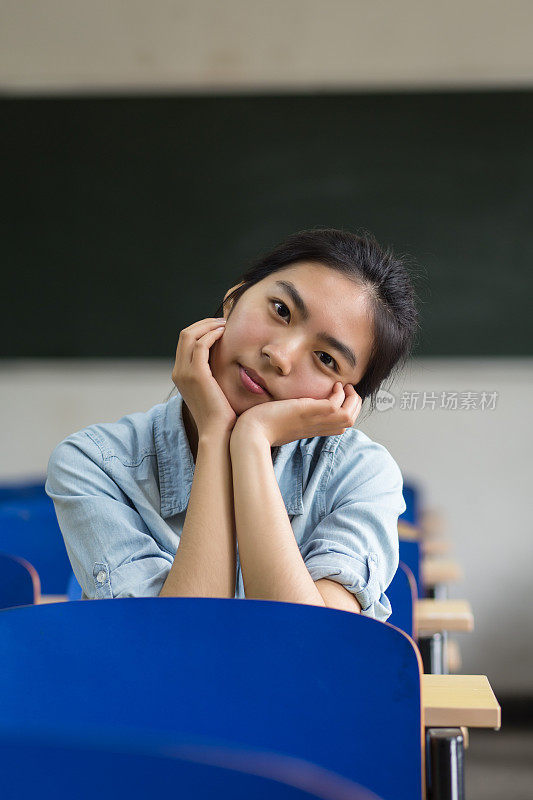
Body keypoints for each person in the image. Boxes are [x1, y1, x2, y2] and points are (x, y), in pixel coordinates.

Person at [46, 227, 419, 620]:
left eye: (326, 359)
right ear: (233, 300)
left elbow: (305, 646)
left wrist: (252, 441)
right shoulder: (93, 462)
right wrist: (215, 436)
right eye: (281, 310)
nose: (279, 356)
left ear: (345, 397)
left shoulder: (362, 474)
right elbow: (178, 647)